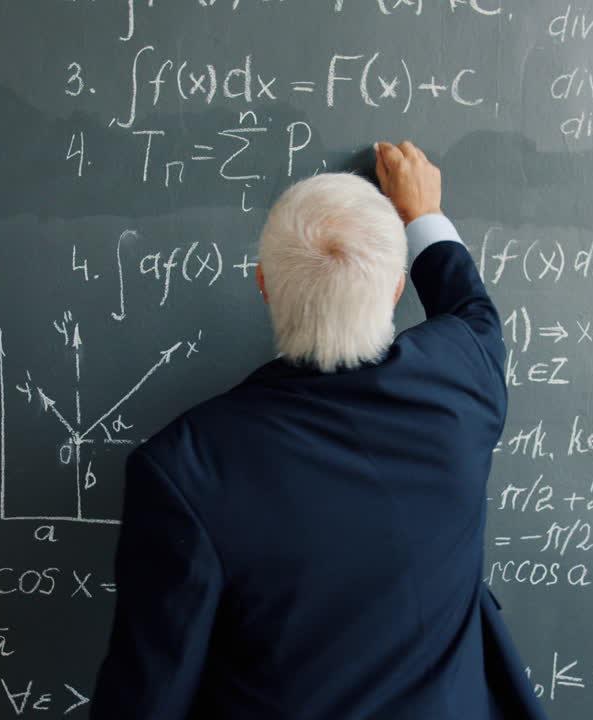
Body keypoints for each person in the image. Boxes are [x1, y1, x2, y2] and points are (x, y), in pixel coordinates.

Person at [91, 141, 546, 719]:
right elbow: (472, 308)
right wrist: (423, 214)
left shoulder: (184, 467)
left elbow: (150, 695)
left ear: (263, 283)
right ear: (397, 289)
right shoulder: (461, 383)